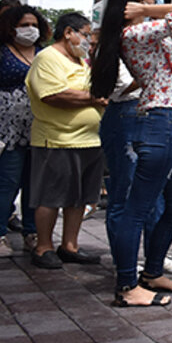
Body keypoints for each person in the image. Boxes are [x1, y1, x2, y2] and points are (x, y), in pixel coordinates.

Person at [90, 0, 172, 307]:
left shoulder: (141, 32)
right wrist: (144, 11)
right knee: (135, 209)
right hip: (159, 119)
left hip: (169, 117)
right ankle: (127, 286)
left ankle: (152, 272)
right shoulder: (136, 30)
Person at [25, 13, 107, 269]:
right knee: (50, 197)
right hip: (57, 140)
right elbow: (53, 95)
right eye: (84, 34)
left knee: (79, 198)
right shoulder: (47, 58)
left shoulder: (82, 62)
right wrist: (94, 98)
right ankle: (43, 247)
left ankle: (69, 246)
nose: (87, 40)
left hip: (89, 141)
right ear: (68, 32)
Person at [0, 5, 49, 257]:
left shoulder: (43, 53)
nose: (30, 30)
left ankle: (31, 232)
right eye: (24, 25)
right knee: (7, 182)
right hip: (6, 130)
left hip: (39, 127)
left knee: (34, 183)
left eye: (34, 25)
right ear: (10, 27)